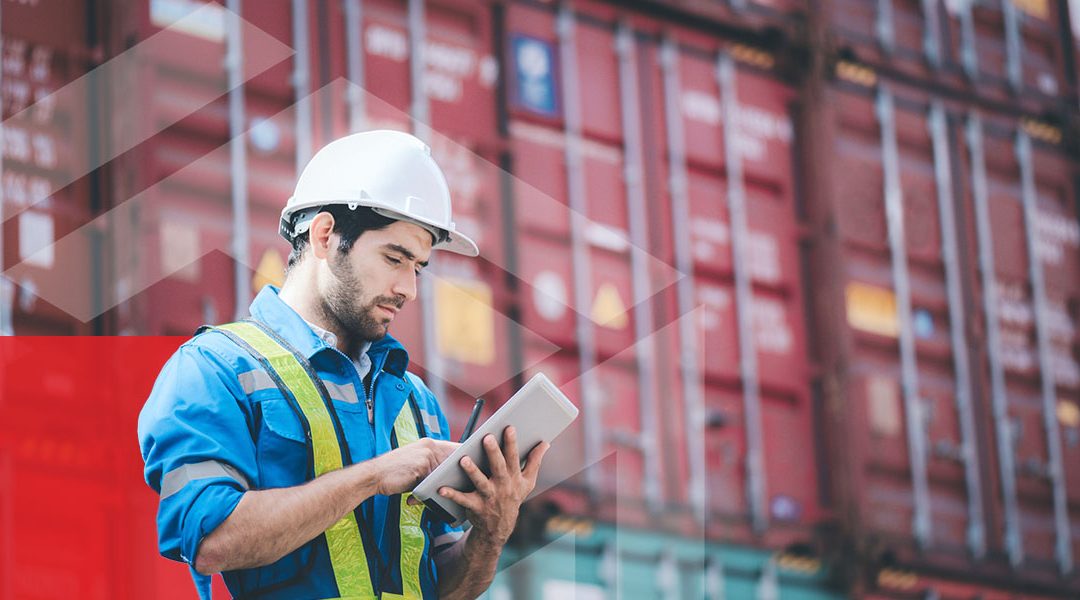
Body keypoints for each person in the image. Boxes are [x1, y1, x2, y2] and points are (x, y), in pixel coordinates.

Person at [138, 130, 549, 599]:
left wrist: (490, 534)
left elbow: (441, 588)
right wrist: (373, 476)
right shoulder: (214, 370)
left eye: (417, 267)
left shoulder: (416, 402)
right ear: (326, 235)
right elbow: (210, 540)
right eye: (394, 258)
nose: (408, 289)